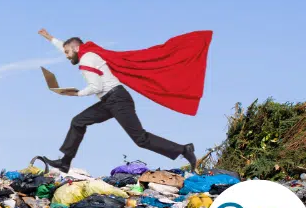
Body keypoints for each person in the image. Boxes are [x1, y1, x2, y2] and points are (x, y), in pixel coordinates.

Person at [36, 28, 213, 172]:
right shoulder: (88, 52)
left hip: (117, 99)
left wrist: (75, 93)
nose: (66, 56)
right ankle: (65, 162)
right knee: (78, 122)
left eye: (67, 53)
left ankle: (184, 149)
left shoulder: (86, 60)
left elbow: (96, 87)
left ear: (75, 49)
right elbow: (67, 47)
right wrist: (50, 38)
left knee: (140, 139)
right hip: (109, 101)